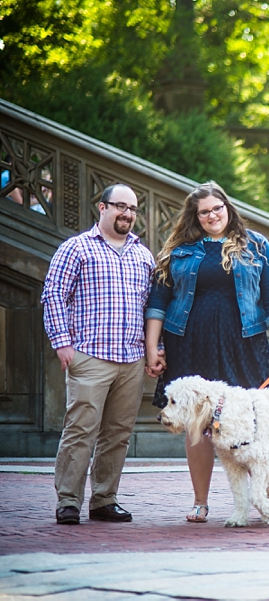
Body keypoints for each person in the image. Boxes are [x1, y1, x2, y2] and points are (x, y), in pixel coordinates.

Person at [144, 181, 269, 524]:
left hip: (245, 342)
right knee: (196, 423)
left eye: (217, 208)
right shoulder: (180, 249)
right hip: (189, 342)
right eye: (204, 212)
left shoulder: (256, 245)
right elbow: (158, 300)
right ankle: (200, 502)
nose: (212, 216)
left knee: (256, 424)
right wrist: (153, 347)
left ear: (228, 207)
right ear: (194, 216)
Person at [42, 184, 155, 525]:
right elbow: (54, 294)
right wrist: (62, 342)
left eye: (132, 209)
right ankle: (68, 501)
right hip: (90, 356)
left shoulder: (143, 255)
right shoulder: (77, 247)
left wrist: (156, 348)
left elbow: (152, 307)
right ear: (102, 207)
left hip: (131, 358)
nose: (127, 214)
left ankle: (105, 499)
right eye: (120, 206)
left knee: (118, 434)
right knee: (80, 430)